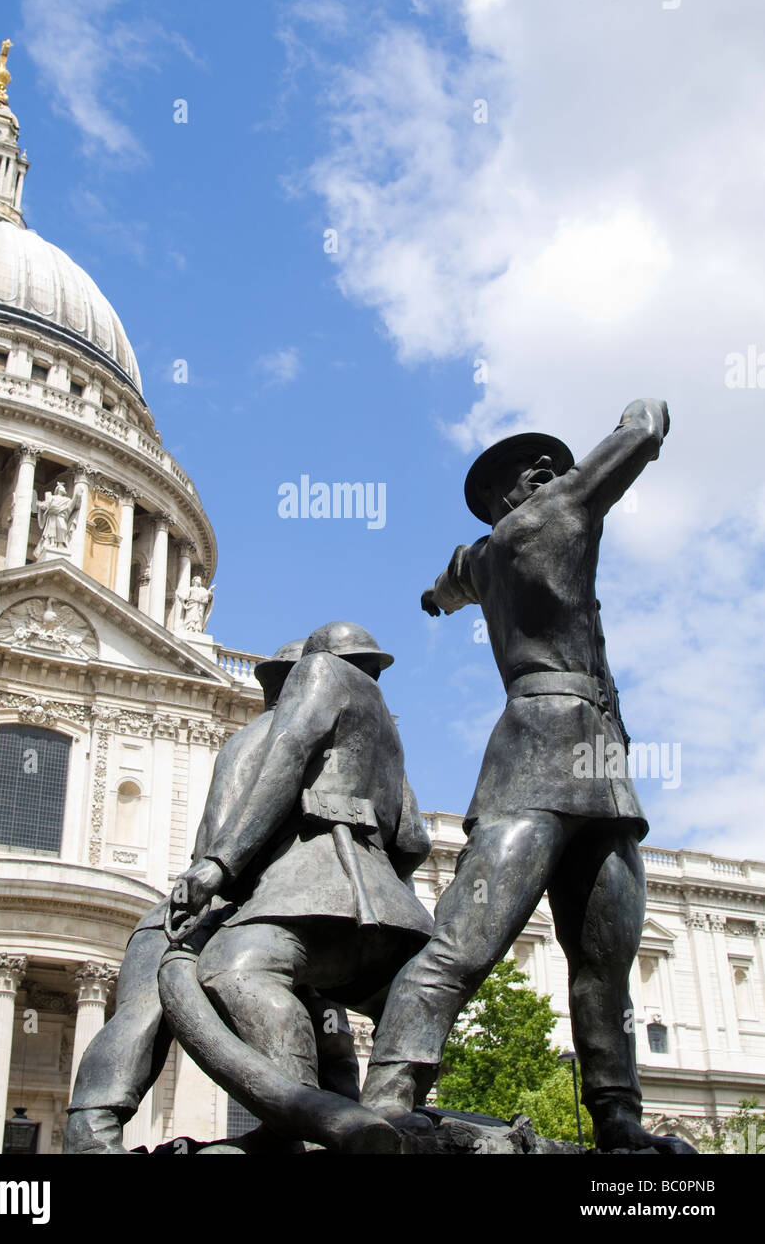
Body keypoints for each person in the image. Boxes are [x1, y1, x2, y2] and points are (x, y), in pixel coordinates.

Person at [360, 398, 694, 1154]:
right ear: (508, 496)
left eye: (554, 467)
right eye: (536, 470)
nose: (553, 473)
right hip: (552, 745)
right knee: (471, 940)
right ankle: (388, 1095)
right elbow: (643, 428)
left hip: (589, 761)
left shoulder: (482, 556)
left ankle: (618, 1118)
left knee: (601, 958)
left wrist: (434, 600)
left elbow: (446, 582)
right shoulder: (563, 507)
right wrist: (644, 403)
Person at [64, 639, 360, 1153]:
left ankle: (93, 1130)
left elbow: (211, 844)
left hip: (241, 910)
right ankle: (336, 1124)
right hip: (312, 919)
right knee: (327, 1025)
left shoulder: (255, 742)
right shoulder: (343, 756)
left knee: (146, 999)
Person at [158, 621, 433, 1151]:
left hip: (311, 898)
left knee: (234, 970)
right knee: (402, 999)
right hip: (394, 921)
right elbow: (415, 840)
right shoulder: (384, 726)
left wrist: (217, 865)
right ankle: (391, 1108)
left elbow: (285, 759)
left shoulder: (315, 677)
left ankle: (306, 1120)